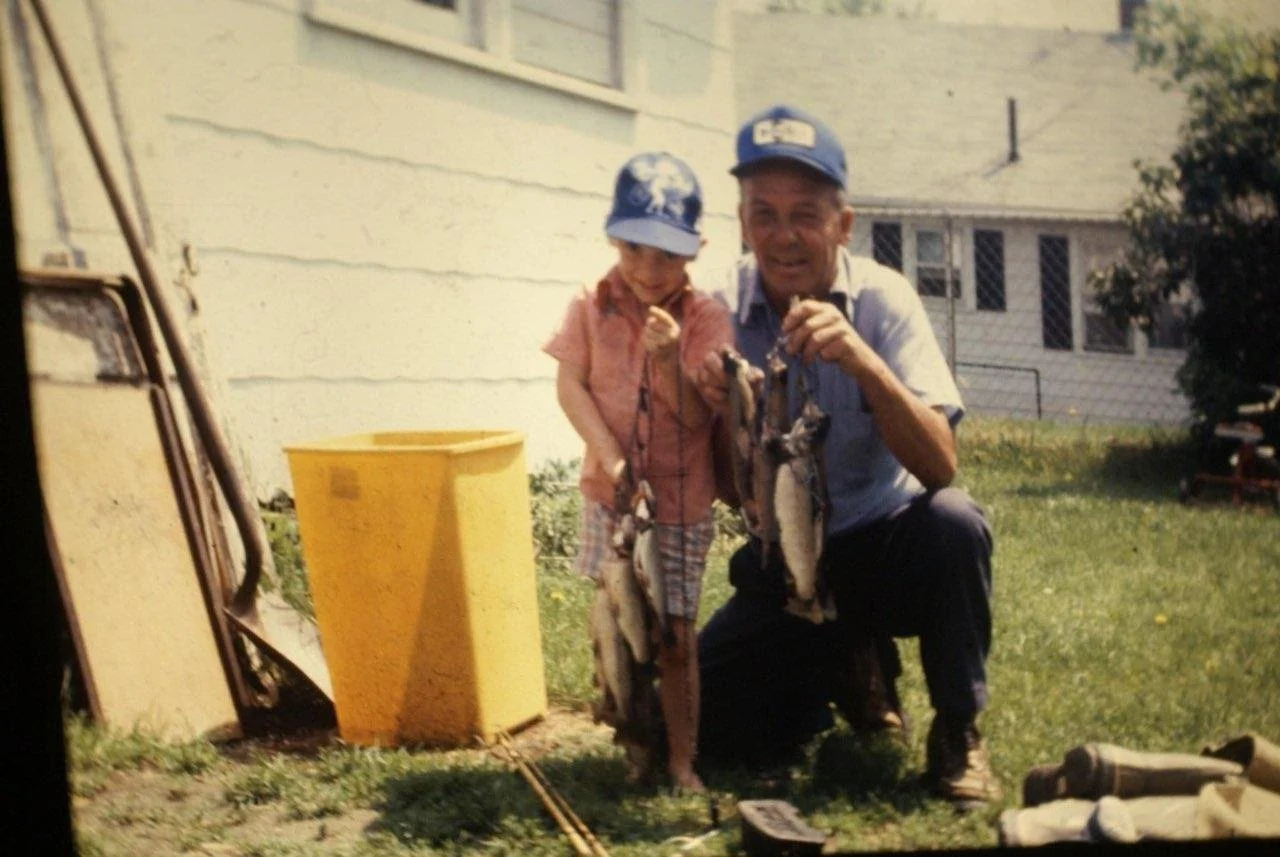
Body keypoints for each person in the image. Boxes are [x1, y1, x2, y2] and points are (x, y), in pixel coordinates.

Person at [695, 104, 1001, 807]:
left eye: (805, 214)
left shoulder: (884, 299)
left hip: (882, 544)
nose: (784, 236)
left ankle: (957, 729)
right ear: (742, 224)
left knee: (956, 523)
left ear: (844, 224)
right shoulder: (717, 309)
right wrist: (714, 407)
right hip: (788, 562)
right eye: (764, 214)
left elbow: (940, 465)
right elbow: (726, 491)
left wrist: (864, 362)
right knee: (706, 726)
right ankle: (847, 662)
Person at [543, 151, 733, 792]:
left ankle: (682, 761)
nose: (649, 270)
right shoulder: (588, 303)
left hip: (678, 507)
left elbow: (698, 416)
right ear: (612, 238)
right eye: (634, 250)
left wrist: (671, 359)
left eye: (667, 255)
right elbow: (570, 385)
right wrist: (611, 457)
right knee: (620, 625)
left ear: (696, 250)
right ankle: (634, 744)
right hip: (610, 498)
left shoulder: (706, 318)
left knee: (675, 634)